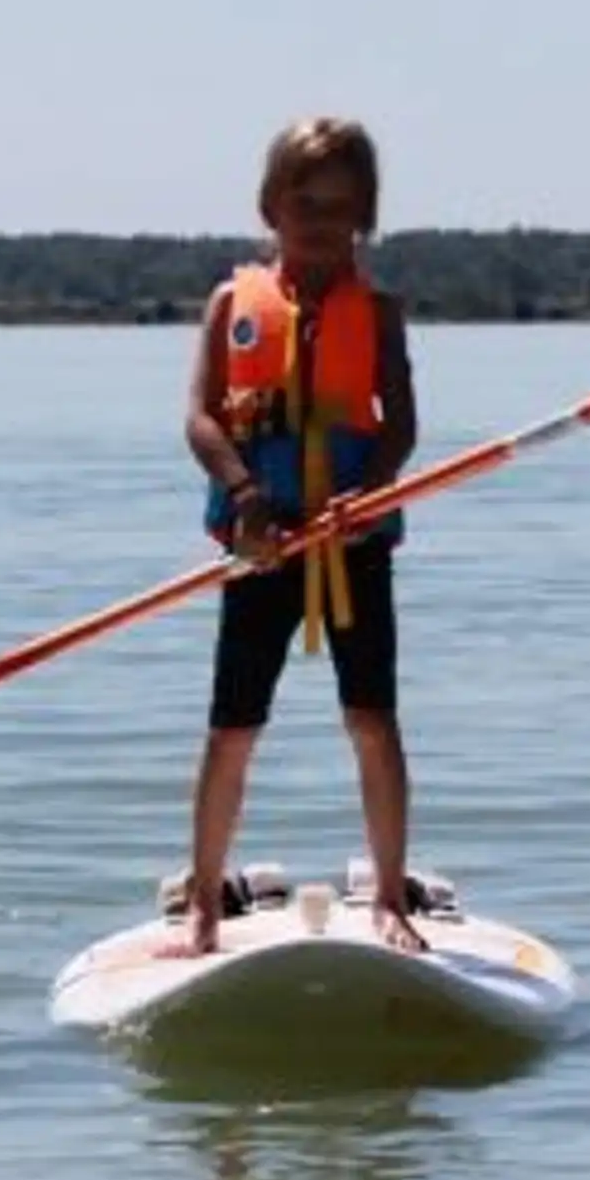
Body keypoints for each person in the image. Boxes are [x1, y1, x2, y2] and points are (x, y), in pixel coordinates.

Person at [181, 116, 423, 956]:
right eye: (306, 203)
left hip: (353, 546)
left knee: (372, 718)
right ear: (271, 206)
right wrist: (245, 494)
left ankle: (392, 898)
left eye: (342, 208)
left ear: (365, 217)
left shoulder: (380, 313)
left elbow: (397, 425)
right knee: (232, 729)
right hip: (262, 548)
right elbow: (203, 420)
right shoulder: (230, 305)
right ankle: (205, 907)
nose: (322, 223)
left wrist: (366, 491)